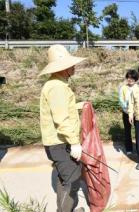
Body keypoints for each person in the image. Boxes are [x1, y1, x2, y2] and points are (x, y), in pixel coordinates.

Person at [39, 44, 86, 212]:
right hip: (60, 142)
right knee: (72, 181)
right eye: (71, 64)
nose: (74, 67)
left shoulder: (56, 84)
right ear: (63, 68)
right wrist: (74, 143)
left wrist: (81, 105)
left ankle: (66, 209)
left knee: (63, 178)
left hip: (57, 141)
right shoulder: (57, 87)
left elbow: (63, 108)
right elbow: (61, 119)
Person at [118, 69, 139, 154]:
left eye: (132, 78)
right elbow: (120, 100)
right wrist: (127, 107)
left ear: (136, 79)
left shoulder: (138, 87)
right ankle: (129, 148)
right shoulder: (123, 88)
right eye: (128, 78)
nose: (130, 80)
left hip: (137, 113)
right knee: (127, 131)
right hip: (126, 113)